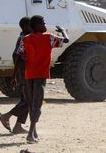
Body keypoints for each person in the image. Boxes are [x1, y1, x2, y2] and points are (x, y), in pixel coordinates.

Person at [23, 15, 69, 143]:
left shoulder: (26, 39)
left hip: (28, 74)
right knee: (37, 104)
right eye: (43, 23)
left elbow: (21, 55)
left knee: (32, 103)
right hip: (40, 74)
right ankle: (30, 133)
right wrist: (63, 31)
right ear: (37, 26)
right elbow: (65, 40)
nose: (45, 25)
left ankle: (34, 132)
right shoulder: (48, 37)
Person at [0, 16, 31, 134]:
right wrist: (16, 75)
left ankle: (18, 126)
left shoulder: (26, 36)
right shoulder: (24, 38)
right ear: (27, 27)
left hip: (26, 72)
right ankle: (7, 116)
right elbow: (16, 56)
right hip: (25, 73)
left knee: (26, 99)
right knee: (29, 100)